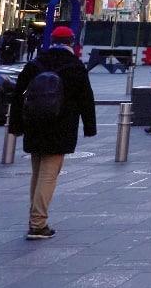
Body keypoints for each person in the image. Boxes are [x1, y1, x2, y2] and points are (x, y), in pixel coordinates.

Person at [7, 25, 96, 240]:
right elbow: (86, 99)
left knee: (37, 172)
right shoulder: (75, 66)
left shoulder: (36, 63)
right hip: (60, 126)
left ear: (52, 40)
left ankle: (35, 218)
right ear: (71, 43)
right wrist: (89, 127)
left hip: (35, 124)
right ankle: (38, 224)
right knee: (48, 175)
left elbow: (18, 95)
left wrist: (16, 126)